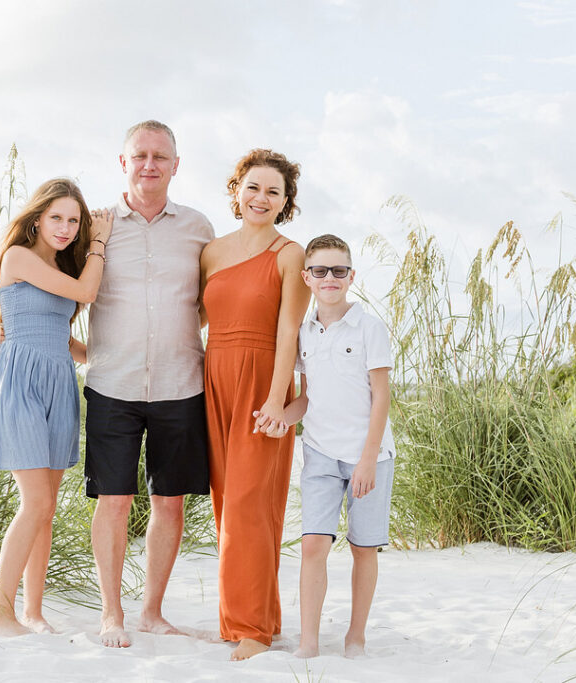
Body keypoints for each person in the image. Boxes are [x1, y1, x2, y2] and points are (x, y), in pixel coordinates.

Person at [84, 120, 215, 648]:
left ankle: (153, 612)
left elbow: (211, 302)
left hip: (181, 383)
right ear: (123, 162)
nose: (149, 164)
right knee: (113, 500)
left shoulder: (199, 228)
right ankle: (111, 614)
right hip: (111, 383)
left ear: (176, 165)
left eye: (161, 156)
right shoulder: (97, 226)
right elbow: (72, 293)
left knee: (170, 502)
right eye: (139, 155)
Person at [0, 177, 114, 637]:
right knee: (34, 502)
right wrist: (98, 242)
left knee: (47, 507)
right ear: (37, 218)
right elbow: (87, 294)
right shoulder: (18, 258)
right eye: (57, 217)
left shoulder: (60, 266)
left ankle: (32, 612)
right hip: (21, 383)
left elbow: (66, 338)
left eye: (75, 221)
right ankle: (0, 613)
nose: (66, 227)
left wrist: (107, 353)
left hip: (59, 383)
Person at [200, 148, 311, 660]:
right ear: (235, 191)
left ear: (286, 202)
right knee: (230, 506)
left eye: (273, 191)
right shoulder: (212, 252)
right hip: (214, 378)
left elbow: (289, 330)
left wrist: (274, 399)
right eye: (253, 187)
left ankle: (251, 629)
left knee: (250, 505)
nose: (261, 198)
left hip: (262, 381)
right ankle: (254, 618)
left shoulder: (291, 254)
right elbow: (194, 320)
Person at [263, 233, 396, 659]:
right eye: (320, 270)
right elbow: (308, 396)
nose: (329, 278)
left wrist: (368, 460)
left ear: (351, 275)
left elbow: (382, 397)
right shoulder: (304, 333)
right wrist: (282, 416)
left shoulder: (370, 327)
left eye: (339, 270)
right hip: (319, 453)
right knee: (313, 545)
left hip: (367, 456)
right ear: (307, 277)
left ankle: (355, 637)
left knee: (362, 546)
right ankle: (308, 643)